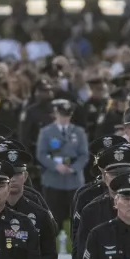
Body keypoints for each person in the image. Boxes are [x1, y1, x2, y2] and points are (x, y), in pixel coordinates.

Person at [36, 99, 89, 237]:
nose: (64, 119)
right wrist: (55, 165)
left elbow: (84, 154)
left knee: (75, 214)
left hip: (73, 179)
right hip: (53, 178)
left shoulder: (79, 132)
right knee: (53, 215)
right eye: (62, 115)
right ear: (55, 114)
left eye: (67, 116)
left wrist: (74, 168)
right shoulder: (46, 132)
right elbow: (41, 154)